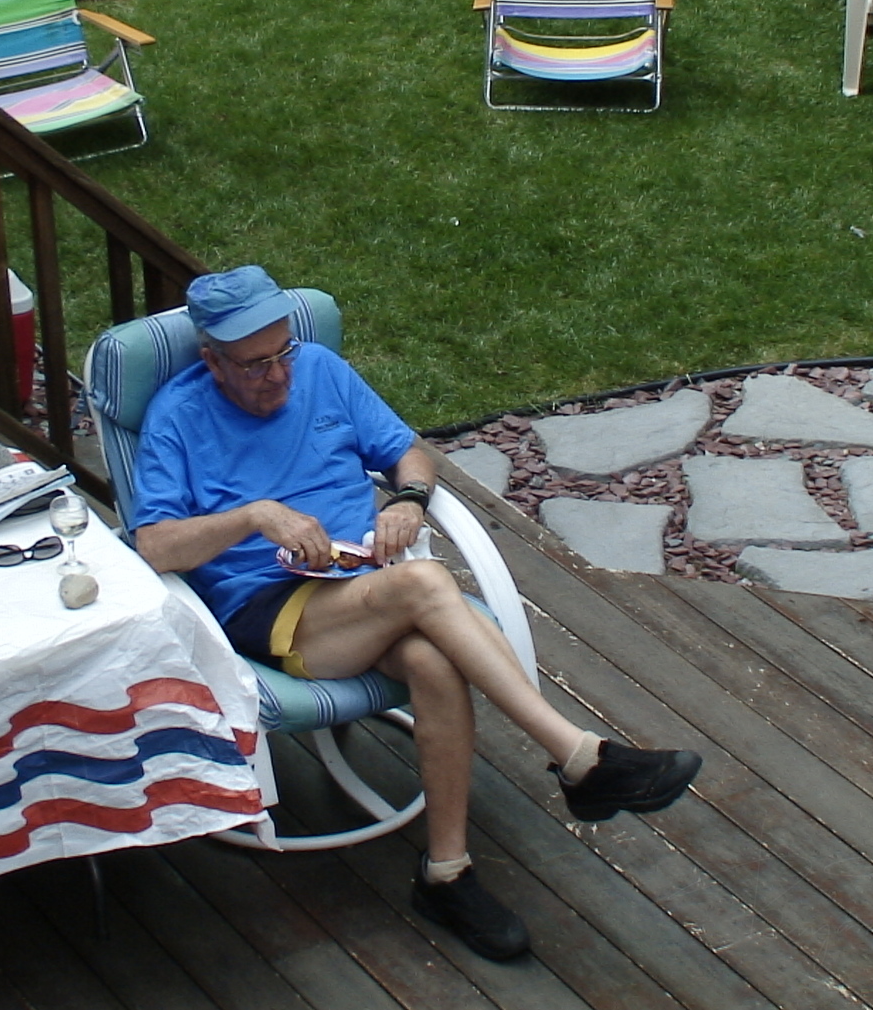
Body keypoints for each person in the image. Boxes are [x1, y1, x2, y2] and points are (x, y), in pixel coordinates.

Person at [131, 266, 702, 961]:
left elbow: (408, 452)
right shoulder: (177, 416)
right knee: (427, 582)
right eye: (254, 365)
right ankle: (580, 757)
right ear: (212, 360)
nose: (277, 375)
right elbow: (154, 544)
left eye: (283, 353)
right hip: (268, 607)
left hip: (362, 583)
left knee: (434, 661)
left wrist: (408, 500)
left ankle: (446, 874)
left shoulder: (321, 370)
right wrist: (255, 516)